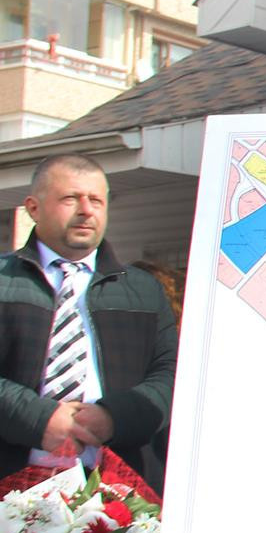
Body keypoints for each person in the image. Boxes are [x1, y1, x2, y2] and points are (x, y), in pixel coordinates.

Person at [0, 154, 178, 492]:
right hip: (10, 488)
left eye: (96, 200)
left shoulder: (143, 290)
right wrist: (38, 419)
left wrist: (114, 417)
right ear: (33, 208)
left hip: (116, 492)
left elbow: (170, 372)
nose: (86, 210)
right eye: (70, 198)